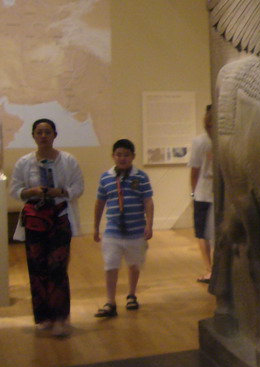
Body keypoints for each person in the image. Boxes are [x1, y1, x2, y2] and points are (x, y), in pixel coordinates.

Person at [10, 118, 84, 338]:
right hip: (34, 222)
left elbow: (78, 187)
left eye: (47, 132)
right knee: (37, 269)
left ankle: (61, 317)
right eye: (39, 132)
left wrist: (60, 192)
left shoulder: (68, 160)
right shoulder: (24, 162)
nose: (43, 136)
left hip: (60, 219)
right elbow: (15, 190)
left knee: (57, 269)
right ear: (33, 135)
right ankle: (44, 317)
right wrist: (32, 192)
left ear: (54, 135)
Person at [93, 139, 154, 318]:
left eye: (126, 155)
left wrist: (149, 224)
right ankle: (110, 301)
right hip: (113, 231)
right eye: (119, 154)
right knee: (110, 265)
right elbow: (100, 202)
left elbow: (148, 201)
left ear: (133, 156)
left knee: (134, 265)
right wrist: (96, 226)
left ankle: (132, 295)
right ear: (113, 156)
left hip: (136, 231)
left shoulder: (141, 177)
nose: (122, 158)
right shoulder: (106, 177)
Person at [189, 104, 213, 282]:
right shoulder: (225, 141)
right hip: (214, 193)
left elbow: (195, 171)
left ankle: (210, 269)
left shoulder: (200, 141)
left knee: (202, 233)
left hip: (203, 193)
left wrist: (193, 192)